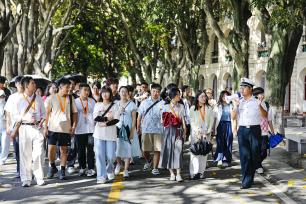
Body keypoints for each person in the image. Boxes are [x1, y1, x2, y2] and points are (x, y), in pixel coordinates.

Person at [232, 78, 267, 189]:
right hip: (242, 130)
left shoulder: (257, 100)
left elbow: (265, 115)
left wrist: (259, 104)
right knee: (244, 156)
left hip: (255, 130)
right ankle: (246, 180)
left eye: (244, 87)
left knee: (254, 154)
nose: (241, 90)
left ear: (250, 89)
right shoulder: (240, 101)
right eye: (241, 87)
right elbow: (233, 117)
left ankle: (251, 175)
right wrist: (236, 105)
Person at [13, 76, 46, 187]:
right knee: (25, 154)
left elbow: (44, 114)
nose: (35, 85)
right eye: (32, 83)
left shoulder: (39, 98)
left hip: (37, 128)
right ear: (27, 85)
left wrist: (41, 121)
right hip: (24, 128)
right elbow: (15, 115)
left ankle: (39, 177)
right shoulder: (19, 99)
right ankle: (26, 178)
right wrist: (25, 117)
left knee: (39, 153)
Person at [44, 78, 78, 180]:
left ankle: (62, 170)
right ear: (60, 87)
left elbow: (75, 113)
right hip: (52, 129)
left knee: (64, 150)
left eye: (70, 87)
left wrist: (73, 127)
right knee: (51, 150)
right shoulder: (51, 98)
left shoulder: (71, 98)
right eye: (67, 87)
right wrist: (45, 127)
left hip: (66, 129)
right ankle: (53, 166)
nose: (69, 89)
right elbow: (46, 114)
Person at [93, 86, 120, 183]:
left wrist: (106, 123)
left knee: (111, 156)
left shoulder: (115, 105)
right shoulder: (97, 105)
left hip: (111, 134)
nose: (105, 94)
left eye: (107, 92)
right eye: (103, 92)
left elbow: (116, 119)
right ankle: (101, 176)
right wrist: (107, 119)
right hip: (99, 134)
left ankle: (109, 170)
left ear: (110, 94)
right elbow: (95, 117)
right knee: (99, 155)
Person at [160, 87, 186, 182]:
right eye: (178, 94)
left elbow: (183, 120)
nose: (180, 96)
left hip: (178, 130)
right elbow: (162, 121)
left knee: (178, 152)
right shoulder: (165, 107)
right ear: (173, 96)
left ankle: (178, 174)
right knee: (169, 151)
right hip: (168, 131)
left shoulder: (181, 106)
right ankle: (171, 173)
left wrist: (185, 131)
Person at [137, 83, 164, 175]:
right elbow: (139, 115)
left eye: (157, 91)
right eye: (154, 91)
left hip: (158, 129)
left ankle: (155, 168)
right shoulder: (144, 102)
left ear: (160, 92)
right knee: (145, 149)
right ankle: (148, 160)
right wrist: (138, 127)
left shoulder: (163, 103)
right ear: (151, 91)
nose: (155, 93)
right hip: (146, 128)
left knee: (157, 149)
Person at [189, 91, 214, 179]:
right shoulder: (192, 108)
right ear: (197, 97)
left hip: (206, 132)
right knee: (195, 152)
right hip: (196, 133)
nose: (204, 98)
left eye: (205, 97)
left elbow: (211, 121)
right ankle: (194, 173)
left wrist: (208, 131)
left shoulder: (209, 108)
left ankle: (201, 172)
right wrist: (197, 131)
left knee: (204, 152)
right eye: (202, 96)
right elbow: (191, 121)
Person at [115, 86, 137, 178]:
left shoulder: (132, 104)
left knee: (127, 148)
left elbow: (134, 119)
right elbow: (113, 116)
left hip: (128, 128)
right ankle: (119, 164)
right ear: (119, 92)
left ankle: (126, 170)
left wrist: (132, 131)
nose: (123, 93)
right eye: (122, 91)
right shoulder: (115, 104)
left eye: (125, 91)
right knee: (116, 148)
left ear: (128, 93)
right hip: (117, 127)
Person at [3, 76, 23, 177]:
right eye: (19, 83)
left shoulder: (28, 96)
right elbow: (8, 112)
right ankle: (19, 169)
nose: (21, 85)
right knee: (17, 148)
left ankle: (27, 170)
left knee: (27, 149)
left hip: (26, 126)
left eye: (22, 83)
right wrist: (8, 126)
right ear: (16, 85)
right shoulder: (12, 97)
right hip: (15, 126)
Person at [74, 83, 96, 177]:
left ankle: (91, 168)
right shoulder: (75, 101)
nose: (87, 92)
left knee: (90, 149)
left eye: (88, 90)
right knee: (81, 150)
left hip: (91, 129)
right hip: (79, 130)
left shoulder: (92, 101)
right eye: (85, 90)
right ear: (79, 91)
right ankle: (82, 167)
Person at [253, 87, 275, 174]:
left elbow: (269, 120)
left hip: (264, 132)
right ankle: (258, 166)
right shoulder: (253, 104)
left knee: (264, 152)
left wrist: (272, 131)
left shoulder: (266, 104)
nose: (262, 95)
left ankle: (256, 164)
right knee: (256, 150)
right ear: (256, 95)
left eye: (262, 94)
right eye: (260, 94)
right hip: (255, 131)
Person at [214, 90, 234, 168]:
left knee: (228, 142)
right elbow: (215, 118)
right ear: (221, 97)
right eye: (223, 96)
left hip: (229, 125)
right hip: (220, 125)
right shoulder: (218, 105)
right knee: (220, 142)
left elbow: (235, 117)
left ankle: (226, 159)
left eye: (227, 96)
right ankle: (220, 158)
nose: (225, 98)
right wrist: (213, 128)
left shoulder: (231, 105)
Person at [126, 85, 142, 161]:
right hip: (125, 123)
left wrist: (139, 125)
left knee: (133, 140)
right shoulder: (122, 101)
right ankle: (128, 157)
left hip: (134, 123)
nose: (130, 93)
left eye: (131, 91)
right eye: (128, 91)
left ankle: (132, 156)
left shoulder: (136, 101)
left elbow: (139, 114)